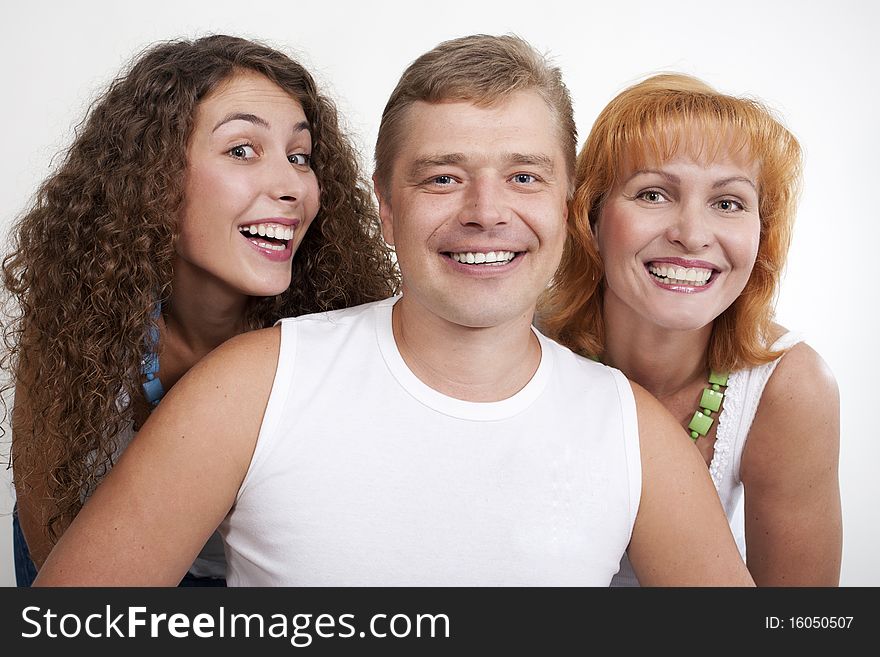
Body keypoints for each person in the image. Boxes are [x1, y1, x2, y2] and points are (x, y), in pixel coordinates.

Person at [35, 35, 752, 587]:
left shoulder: (633, 431)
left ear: (568, 208)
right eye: (443, 177)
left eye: (524, 177)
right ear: (383, 205)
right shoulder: (248, 386)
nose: (486, 212)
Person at [3, 35, 398, 586]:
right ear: (153, 177)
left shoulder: (333, 341)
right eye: (242, 150)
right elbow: (52, 545)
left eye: (300, 157)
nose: (290, 186)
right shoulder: (78, 319)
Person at [539, 73, 841, 586]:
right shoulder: (519, 345)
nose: (692, 236)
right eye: (654, 194)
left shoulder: (789, 385)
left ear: (762, 236)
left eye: (728, 204)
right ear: (589, 219)